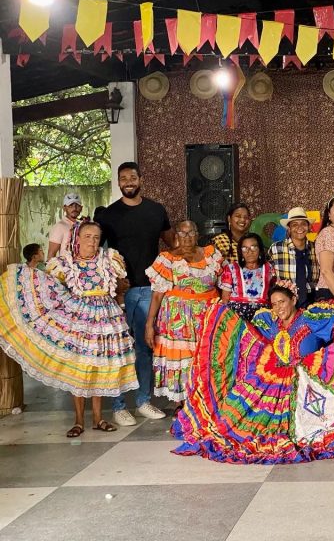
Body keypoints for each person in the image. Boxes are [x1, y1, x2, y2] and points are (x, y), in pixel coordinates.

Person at [171, 280, 334, 464]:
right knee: (240, 424)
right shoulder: (269, 324)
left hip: (310, 380)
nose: (278, 307)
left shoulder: (311, 319)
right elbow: (248, 338)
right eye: (274, 304)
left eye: (282, 302)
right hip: (273, 382)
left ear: (293, 300)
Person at [0, 220, 138, 438]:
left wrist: (121, 299)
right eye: (87, 237)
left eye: (96, 237)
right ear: (77, 238)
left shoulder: (110, 259)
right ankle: (79, 421)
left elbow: (121, 286)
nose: (92, 241)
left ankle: (99, 419)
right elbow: (52, 286)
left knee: (100, 365)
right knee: (80, 367)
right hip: (79, 320)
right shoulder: (65, 263)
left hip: (106, 319)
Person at [96, 161, 174, 426]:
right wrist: (111, 283)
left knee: (144, 348)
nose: (128, 181)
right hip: (118, 293)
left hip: (149, 289)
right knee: (118, 350)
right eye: (123, 178)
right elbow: (97, 253)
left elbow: (172, 243)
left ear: (141, 179)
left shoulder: (156, 210)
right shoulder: (108, 215)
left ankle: (143, 401)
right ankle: (118, 406)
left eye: (132, 177)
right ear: (118, 182)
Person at [145, 220, 223, 406]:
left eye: (191, 232)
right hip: (177, 321)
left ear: (197, 234)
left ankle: (205, 402)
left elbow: (224, 285)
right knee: (182, 360)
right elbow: (157, 295)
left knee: (206, 357)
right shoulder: (166, 259)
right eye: (182, 233)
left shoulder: (211, 255)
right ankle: (183, 404)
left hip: (207, 318)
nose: (187, 237)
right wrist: (149, 324)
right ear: (176, 235)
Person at [267, 207, 319, 308]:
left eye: (303, 224)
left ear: (309, 227)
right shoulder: (276, 248)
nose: (300, 228)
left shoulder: (316, 248)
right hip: (286, 302)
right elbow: (267, 275)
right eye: (295, 224)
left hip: (312, 300)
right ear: (289, 228)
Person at [220, 232, 272, 321]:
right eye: (245, 248)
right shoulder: (231, 268)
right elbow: (225, 299)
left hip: (263, 315)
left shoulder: (269, 268)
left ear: (260, 249)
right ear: (241, 252)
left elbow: (273, 294)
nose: (249, 252)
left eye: (253, 247)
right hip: (237, 316)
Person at [47, 192, 83, 259]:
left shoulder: (83, 226)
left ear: (81, 208)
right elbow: (51, 253)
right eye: (70, 205)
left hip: (82, 264)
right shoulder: (60, 226)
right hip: (66, 264)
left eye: (77, 205)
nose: (74, 208)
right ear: (64, 208)